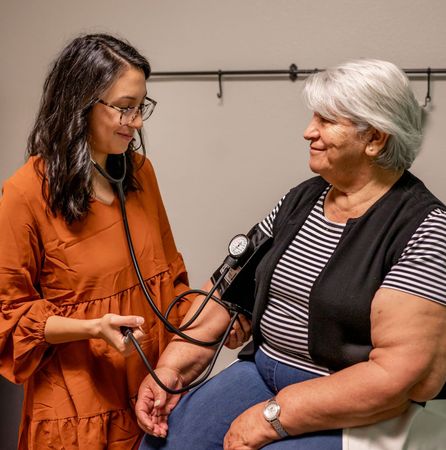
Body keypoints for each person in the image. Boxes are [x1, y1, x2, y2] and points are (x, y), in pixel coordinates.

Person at [136, 59, 446, 450]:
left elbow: (393, 377)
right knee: (166, 443)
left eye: (327, 121)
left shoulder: (425, 228)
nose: (308, 132)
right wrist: (169, 371)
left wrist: (272, 417)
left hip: (352, 405)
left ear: (376, 139)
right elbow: (225, 290)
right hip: (262, 372)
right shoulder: (300, 199)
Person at [0, 33, 248, 449]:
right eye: (124, 108)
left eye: (140, 107)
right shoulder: (26, 193)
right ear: (80, 105)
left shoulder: (139, 174)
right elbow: (8, 316)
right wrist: (92, 327)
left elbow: (168, 286)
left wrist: (215, 324)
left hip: (150, 392)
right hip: (77, 409)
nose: (137, 122)